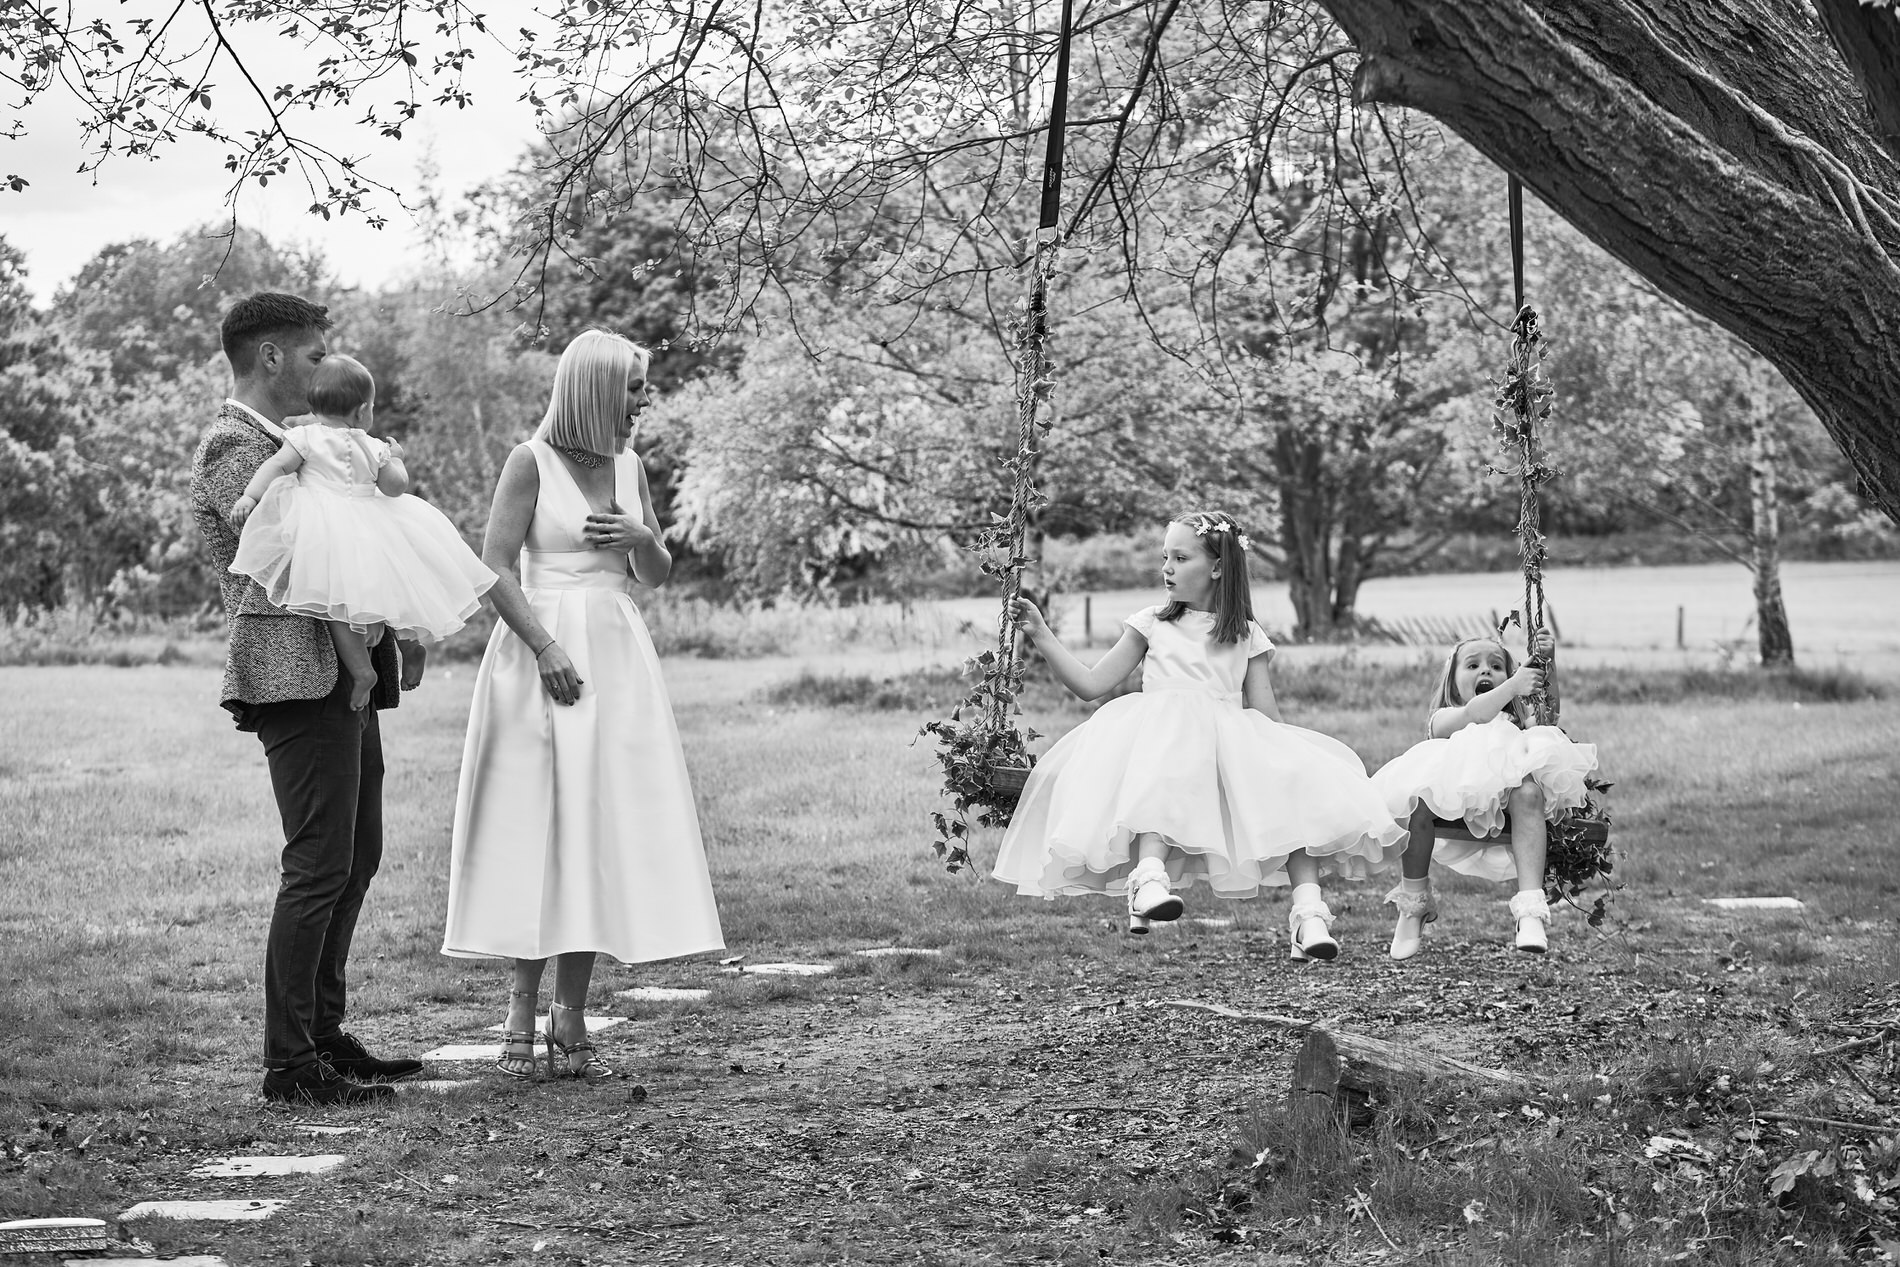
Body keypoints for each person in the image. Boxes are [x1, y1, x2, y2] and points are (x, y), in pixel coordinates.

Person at [441, 330, 724, 1080]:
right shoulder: (529, 462)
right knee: (535, 826)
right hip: (542, 655)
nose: (643, 399)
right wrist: (543, 645)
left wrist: (641, 535)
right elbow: (493, 566)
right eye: (633, 387)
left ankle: (571, 1010)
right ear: (596, 388)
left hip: (616, 658)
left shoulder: (630, 466)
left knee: (596, 828)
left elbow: (654, 573)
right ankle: (518, 1007)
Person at [189, 293, 428, 1106]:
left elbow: (356, 541)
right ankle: (289, 1061)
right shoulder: (236, 446)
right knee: (318, 862)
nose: (328, 366)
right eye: (316, 353)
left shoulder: (306, 442)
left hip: (343, 674)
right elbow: (295, 561)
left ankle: (324, 1034)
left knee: (355, 856)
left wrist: (398, 627)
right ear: (271, 357)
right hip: (294, 672)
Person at [991, 510, 1406, 958]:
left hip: (1226, 742)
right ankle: (1148, 879)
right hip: (1160, 739)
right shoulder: (1153, 623)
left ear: (1217, 568)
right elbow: (1092, 684)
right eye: (1164, 557)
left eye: (1180, 557)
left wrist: (1290, 763)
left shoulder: (1246, 634)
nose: (1166, 568)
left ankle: (1309, 916)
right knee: (1166, 768)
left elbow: (1265, 713)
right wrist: (1041, 634)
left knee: (1294, 789)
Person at [228, 354, 496, 710]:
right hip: (374, 530)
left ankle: (362, 672)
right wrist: (396, 458)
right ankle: (410, 646)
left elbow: (276, 466)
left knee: (338, 608)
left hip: (326, 534)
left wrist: (250, 496)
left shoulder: (303, 437)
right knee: (395, 589)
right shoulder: (374, 446)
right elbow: (396, 487)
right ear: (362, 412)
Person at [1370, 630, 1599, 958]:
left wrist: (1548, 664)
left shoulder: (1516, 723)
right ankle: (1414, 904)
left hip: (1506, 799)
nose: (1485, 671)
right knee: (1415, 802)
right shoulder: (1447, 718)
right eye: (1472, 665)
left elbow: (1549, 715)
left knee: (1529, 793)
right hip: (1449, 800)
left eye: (1496, 666)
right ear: (1453, 684)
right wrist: (1514, 685)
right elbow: (1476, 713)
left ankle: (1530, 911)